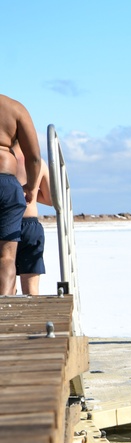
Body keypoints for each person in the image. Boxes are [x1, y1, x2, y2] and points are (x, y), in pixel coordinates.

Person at [0, 94, 41, 296]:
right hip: (6, 184)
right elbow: (34, 157)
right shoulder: (14, 108)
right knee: (6, 257)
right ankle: (3, 310)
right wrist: (32, 187)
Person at [14, 142, 51, 294]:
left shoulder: (5, 162)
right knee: (31, 289)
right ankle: (33, 317)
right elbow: (51, 199)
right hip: (30, 225)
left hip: (6, 224)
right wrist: (32, 193)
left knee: (5, 286)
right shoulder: (38, 163)